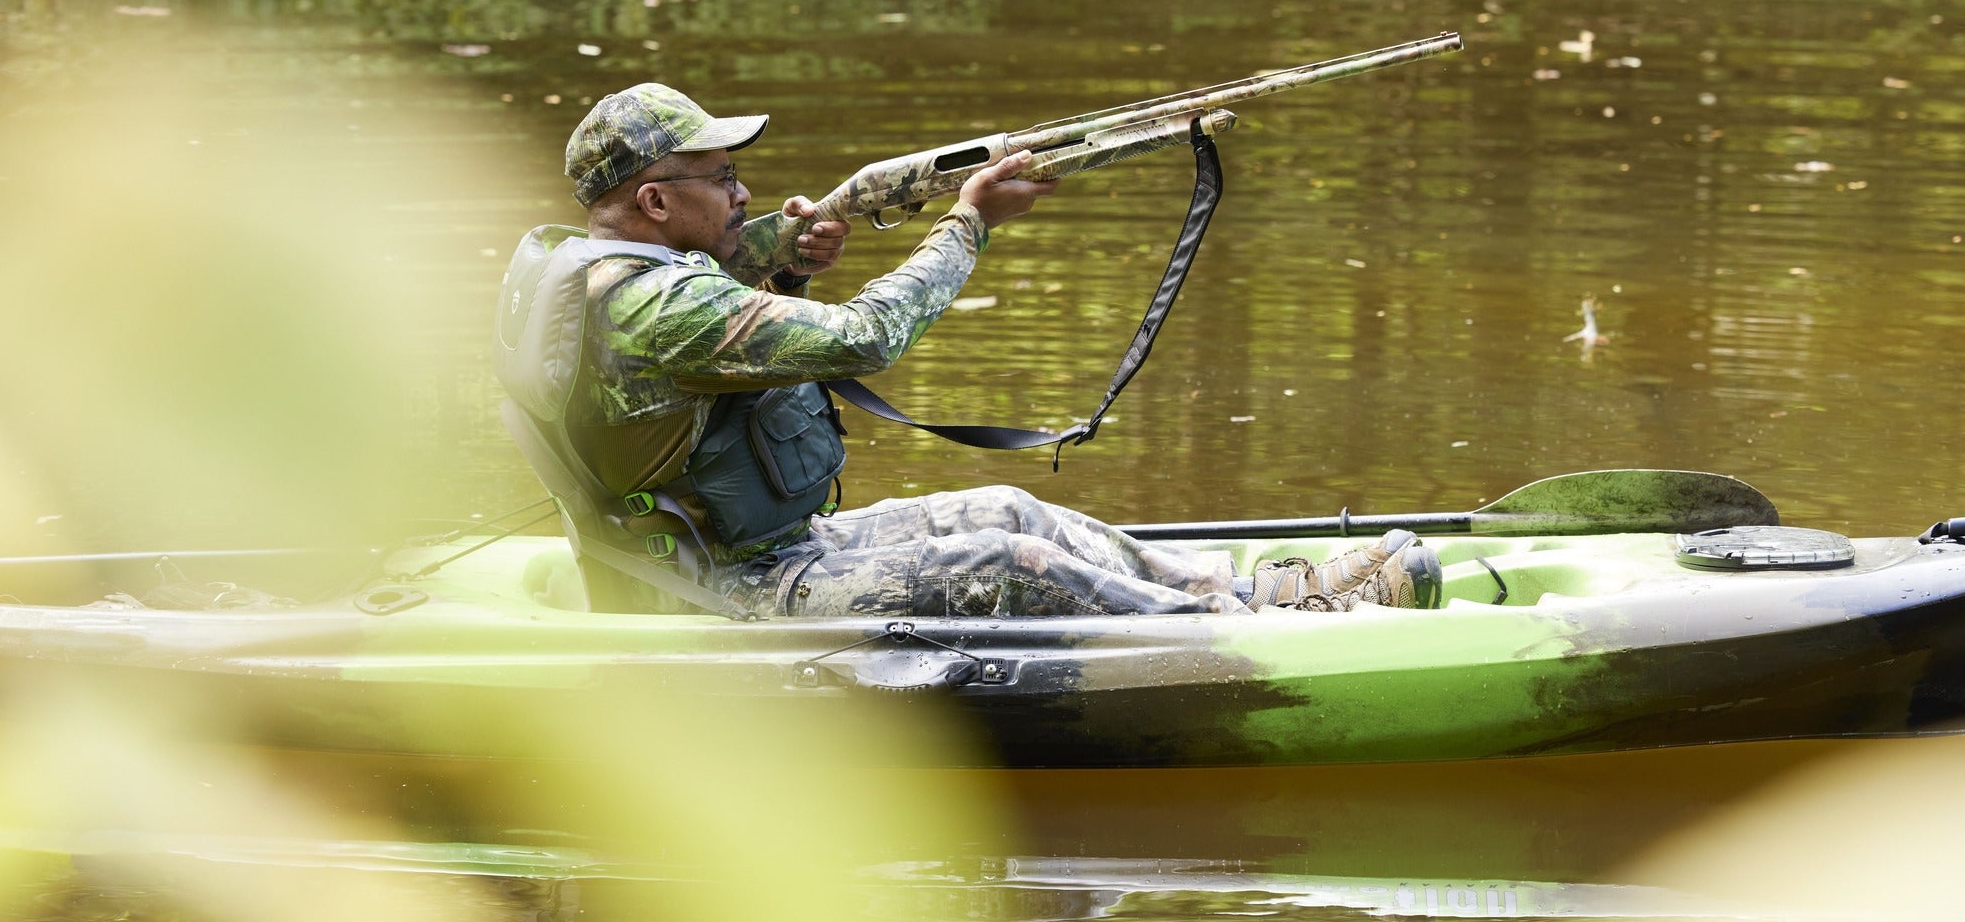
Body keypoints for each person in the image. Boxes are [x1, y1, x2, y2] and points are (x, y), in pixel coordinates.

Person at [497, 83, 1441, 620]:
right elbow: (866, 340)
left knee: (1003, 502)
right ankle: (1254, 635)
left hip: (760, 544)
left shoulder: (607, 271)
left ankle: (1259, 590)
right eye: (721, 175)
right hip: (713, 591)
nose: (742, 191)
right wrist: (967, 223)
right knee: (1010, 563)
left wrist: (794, 258)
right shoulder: (658, 301)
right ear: (654, 203)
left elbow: (711, 366)